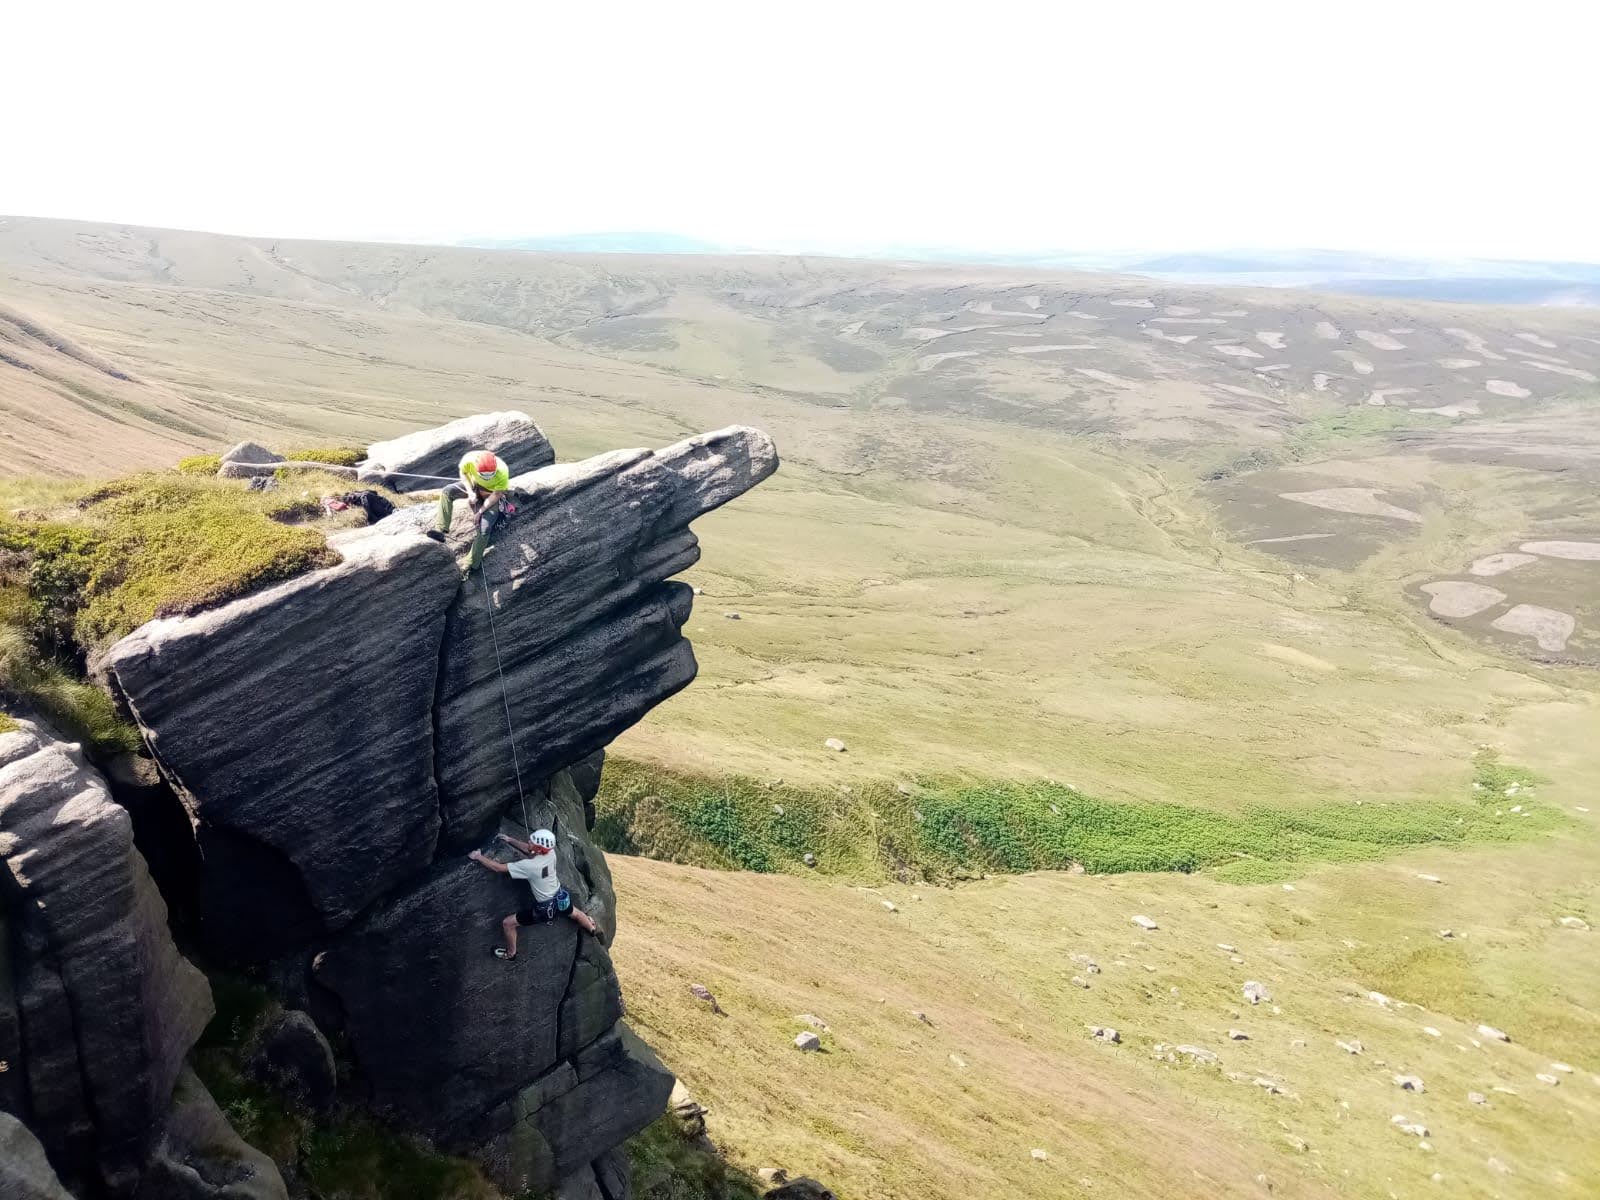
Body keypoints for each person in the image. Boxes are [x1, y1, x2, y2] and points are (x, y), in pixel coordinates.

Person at [468, 829, 601, 960]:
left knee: (507, 924)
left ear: (538, 849)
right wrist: (510, 840)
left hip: (544, 910)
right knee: (576, 913)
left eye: (532, 841)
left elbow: (498, 868)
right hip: (560, 897)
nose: (528, 841)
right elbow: (529, 849)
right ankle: (591, 928)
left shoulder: (530, 866)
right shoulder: (551, 853)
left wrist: (478, 857)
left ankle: (511, 953)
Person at [428, 450, 512, 575]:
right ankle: (440, 529)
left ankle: (471, 563)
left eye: (490, 475)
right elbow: (463, 473)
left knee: (485, 528)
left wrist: (480, 512)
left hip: (490, 493)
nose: (487, 477)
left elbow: (496, 495)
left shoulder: (503, 471)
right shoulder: (469, 460)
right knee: (447, 491)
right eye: (484, 475)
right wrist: (470, 492)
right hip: (474, 485)